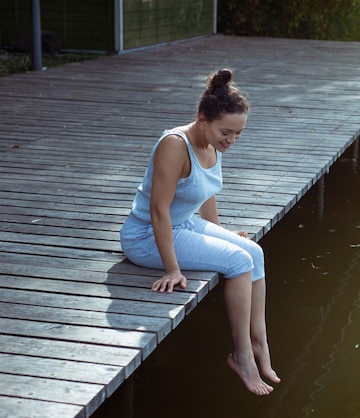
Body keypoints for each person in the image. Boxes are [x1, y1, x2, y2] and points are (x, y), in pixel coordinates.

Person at [120, 69, 280, 395]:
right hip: (147, 236)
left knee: (253, 252)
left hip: (185, 224)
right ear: (202, 119)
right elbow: (157, 211)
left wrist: (219, 235)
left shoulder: (212, 144)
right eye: (226, 132)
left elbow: (205, 193)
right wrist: (172, 268)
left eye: (238, 134)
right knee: (237, 261)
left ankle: (259, 342)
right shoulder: (175, 145)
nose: (231, 140)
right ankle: (242, 356)